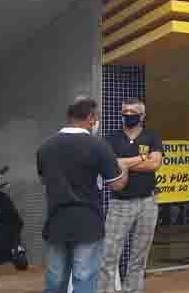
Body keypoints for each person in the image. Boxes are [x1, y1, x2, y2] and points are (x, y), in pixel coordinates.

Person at [37, 97, 129, 293]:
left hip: (56, 223)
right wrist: (124, 167)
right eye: (96, 118)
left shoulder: (45, 147)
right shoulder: (98, 146)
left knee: (55, 280)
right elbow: (117, 184)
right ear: (90, 117)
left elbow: (44, 180)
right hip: (88, 224)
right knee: (84, 280)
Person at [98, 98, 163, 293]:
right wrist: (141, 158)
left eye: (132, 112)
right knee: (108, 254)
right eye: (125, 111)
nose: (127, 115)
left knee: (139, 256)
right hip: (120, 203)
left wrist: (124, 163)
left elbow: (155, 163)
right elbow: (110, 165)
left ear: (142, 116)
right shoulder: (111, 139)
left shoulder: (152, 136)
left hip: (148, 202)